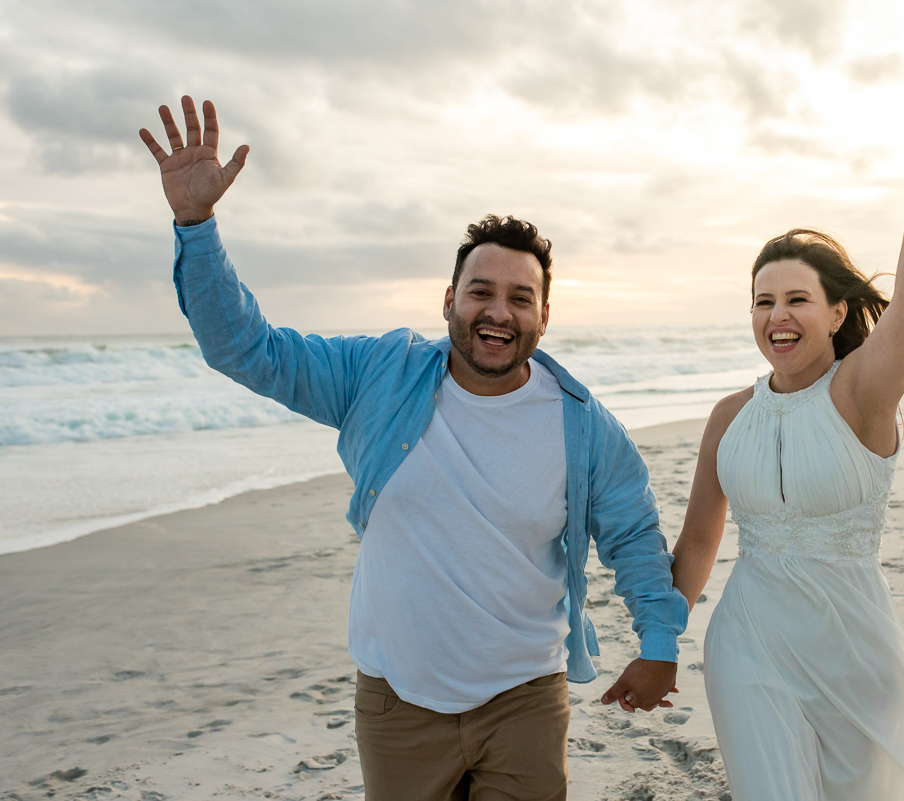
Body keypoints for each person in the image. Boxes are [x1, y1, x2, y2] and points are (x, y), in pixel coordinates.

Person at [139, 96, 688, 801]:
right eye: (480, 291)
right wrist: (196, 225)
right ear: (449, 300)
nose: (499, 311)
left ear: (545, 314)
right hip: (398, 700)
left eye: (521, 298)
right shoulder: (377, 374)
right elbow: (248, 349)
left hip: (524, 696)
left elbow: (636, 538)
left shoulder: (583, 426)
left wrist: (660, 644)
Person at [670, 108, 904, 800]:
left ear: (835, 311)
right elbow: (700, 540)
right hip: (749, 646)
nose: (777, 316)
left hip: (856, 653)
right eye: (763, 301)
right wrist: (654, 639)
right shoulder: (729, 416)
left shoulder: (861, 395)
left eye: (797, 298)